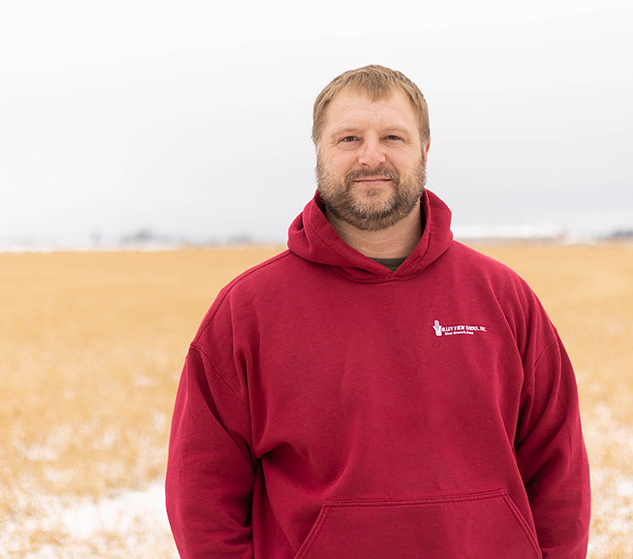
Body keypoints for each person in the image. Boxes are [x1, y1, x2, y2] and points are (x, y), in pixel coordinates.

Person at [166, 64, 591, 558]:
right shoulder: (248, 311)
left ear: (424, 151)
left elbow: (559, 475)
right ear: (319, 153)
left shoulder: (503, 298)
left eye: (393, 136)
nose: (372, 155)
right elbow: (202, 494)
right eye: (349, 138)